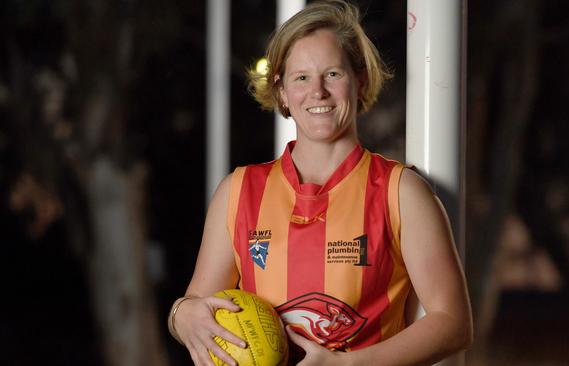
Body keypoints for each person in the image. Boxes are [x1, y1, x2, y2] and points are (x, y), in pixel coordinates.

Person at [168, 1, 472, 365]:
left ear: (360, 81)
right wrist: (181, 316)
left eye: (332, 74)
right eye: (301, 77)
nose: (318, 92)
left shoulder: (402, 192)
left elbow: (454, 323)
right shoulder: (238, 191)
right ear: (281, 91)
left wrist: (346, 365)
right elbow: (198, 304)